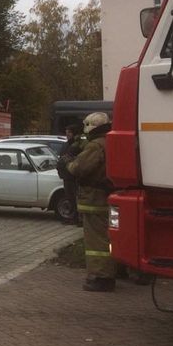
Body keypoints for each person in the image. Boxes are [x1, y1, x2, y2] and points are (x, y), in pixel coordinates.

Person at [67, 112, 117, 292]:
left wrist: (68, 162)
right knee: (110, 237)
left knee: (97, 242)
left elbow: (79, 168)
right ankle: (116, 270)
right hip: (108, 198)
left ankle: (101, 277)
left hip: (95, 200)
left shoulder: (96, 145)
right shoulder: (112, 142)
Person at [56, 124, 83, 226]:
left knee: (77, 198)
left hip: (74, 176)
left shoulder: (77, 145)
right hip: (66, 176)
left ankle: (79, 219)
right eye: (66, 133)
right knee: (69, 198)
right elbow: (62, 159)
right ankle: (72, 217)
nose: (67, 135)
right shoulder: (66, 145)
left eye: (69, 133)